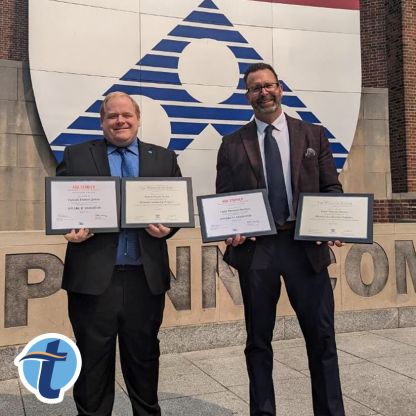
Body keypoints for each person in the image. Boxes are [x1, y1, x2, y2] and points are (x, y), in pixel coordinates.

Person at [216, 63, 345, 416]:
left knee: (322, 339)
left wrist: (330, 224)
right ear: (248, 96)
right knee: (258, 341)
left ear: (280, 89)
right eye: (255, 88)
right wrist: (232, 229)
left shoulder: (313, 135)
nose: (263, 92)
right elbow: (225, 200)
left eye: (268, 85)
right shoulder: (231, 144)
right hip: (257, 250)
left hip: (305, 247)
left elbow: (331, 189)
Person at [57, 91, 181, 416]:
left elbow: (176, 210)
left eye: (127, 115)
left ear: (138, 119)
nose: (120, 121)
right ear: (102, 122)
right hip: (94, 281)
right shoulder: (76, 155)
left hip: (144, 279)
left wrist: (169, 228)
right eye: (112, 116)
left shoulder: (164, 158)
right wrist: (68, 228)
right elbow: (62, 205)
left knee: (143, 360)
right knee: (92, 363)